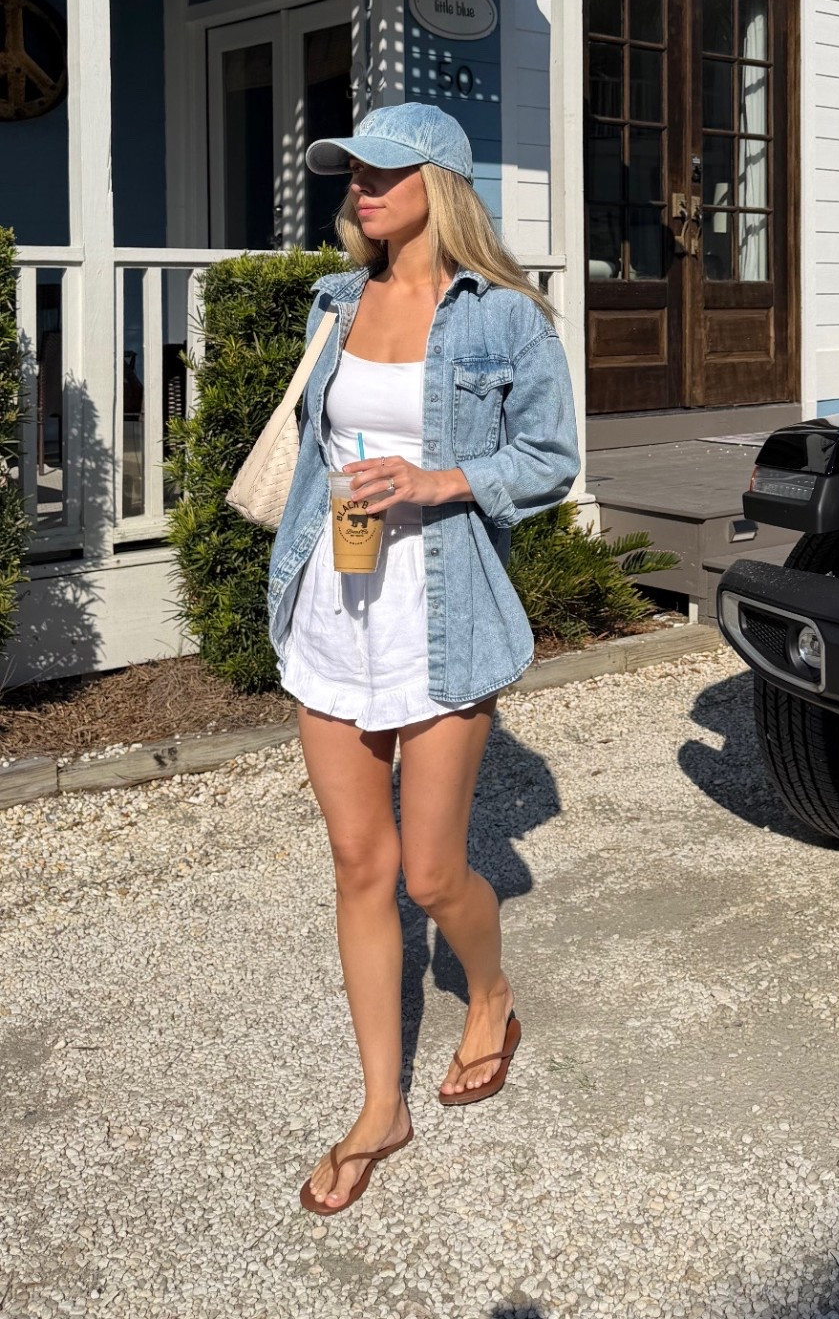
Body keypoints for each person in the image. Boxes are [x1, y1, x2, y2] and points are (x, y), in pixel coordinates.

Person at [265, 101, 581, 1216]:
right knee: (360, 865)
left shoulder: (503, 319)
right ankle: (379, 1102)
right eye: (350, 172)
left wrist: (442, 481)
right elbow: (322, 450)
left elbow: (551, 457)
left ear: (437, 182)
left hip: (442, 612)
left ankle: (488, 993)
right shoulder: (336, 300)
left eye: (380, 172)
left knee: (430, 873)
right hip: (332, 607)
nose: (358, 188)